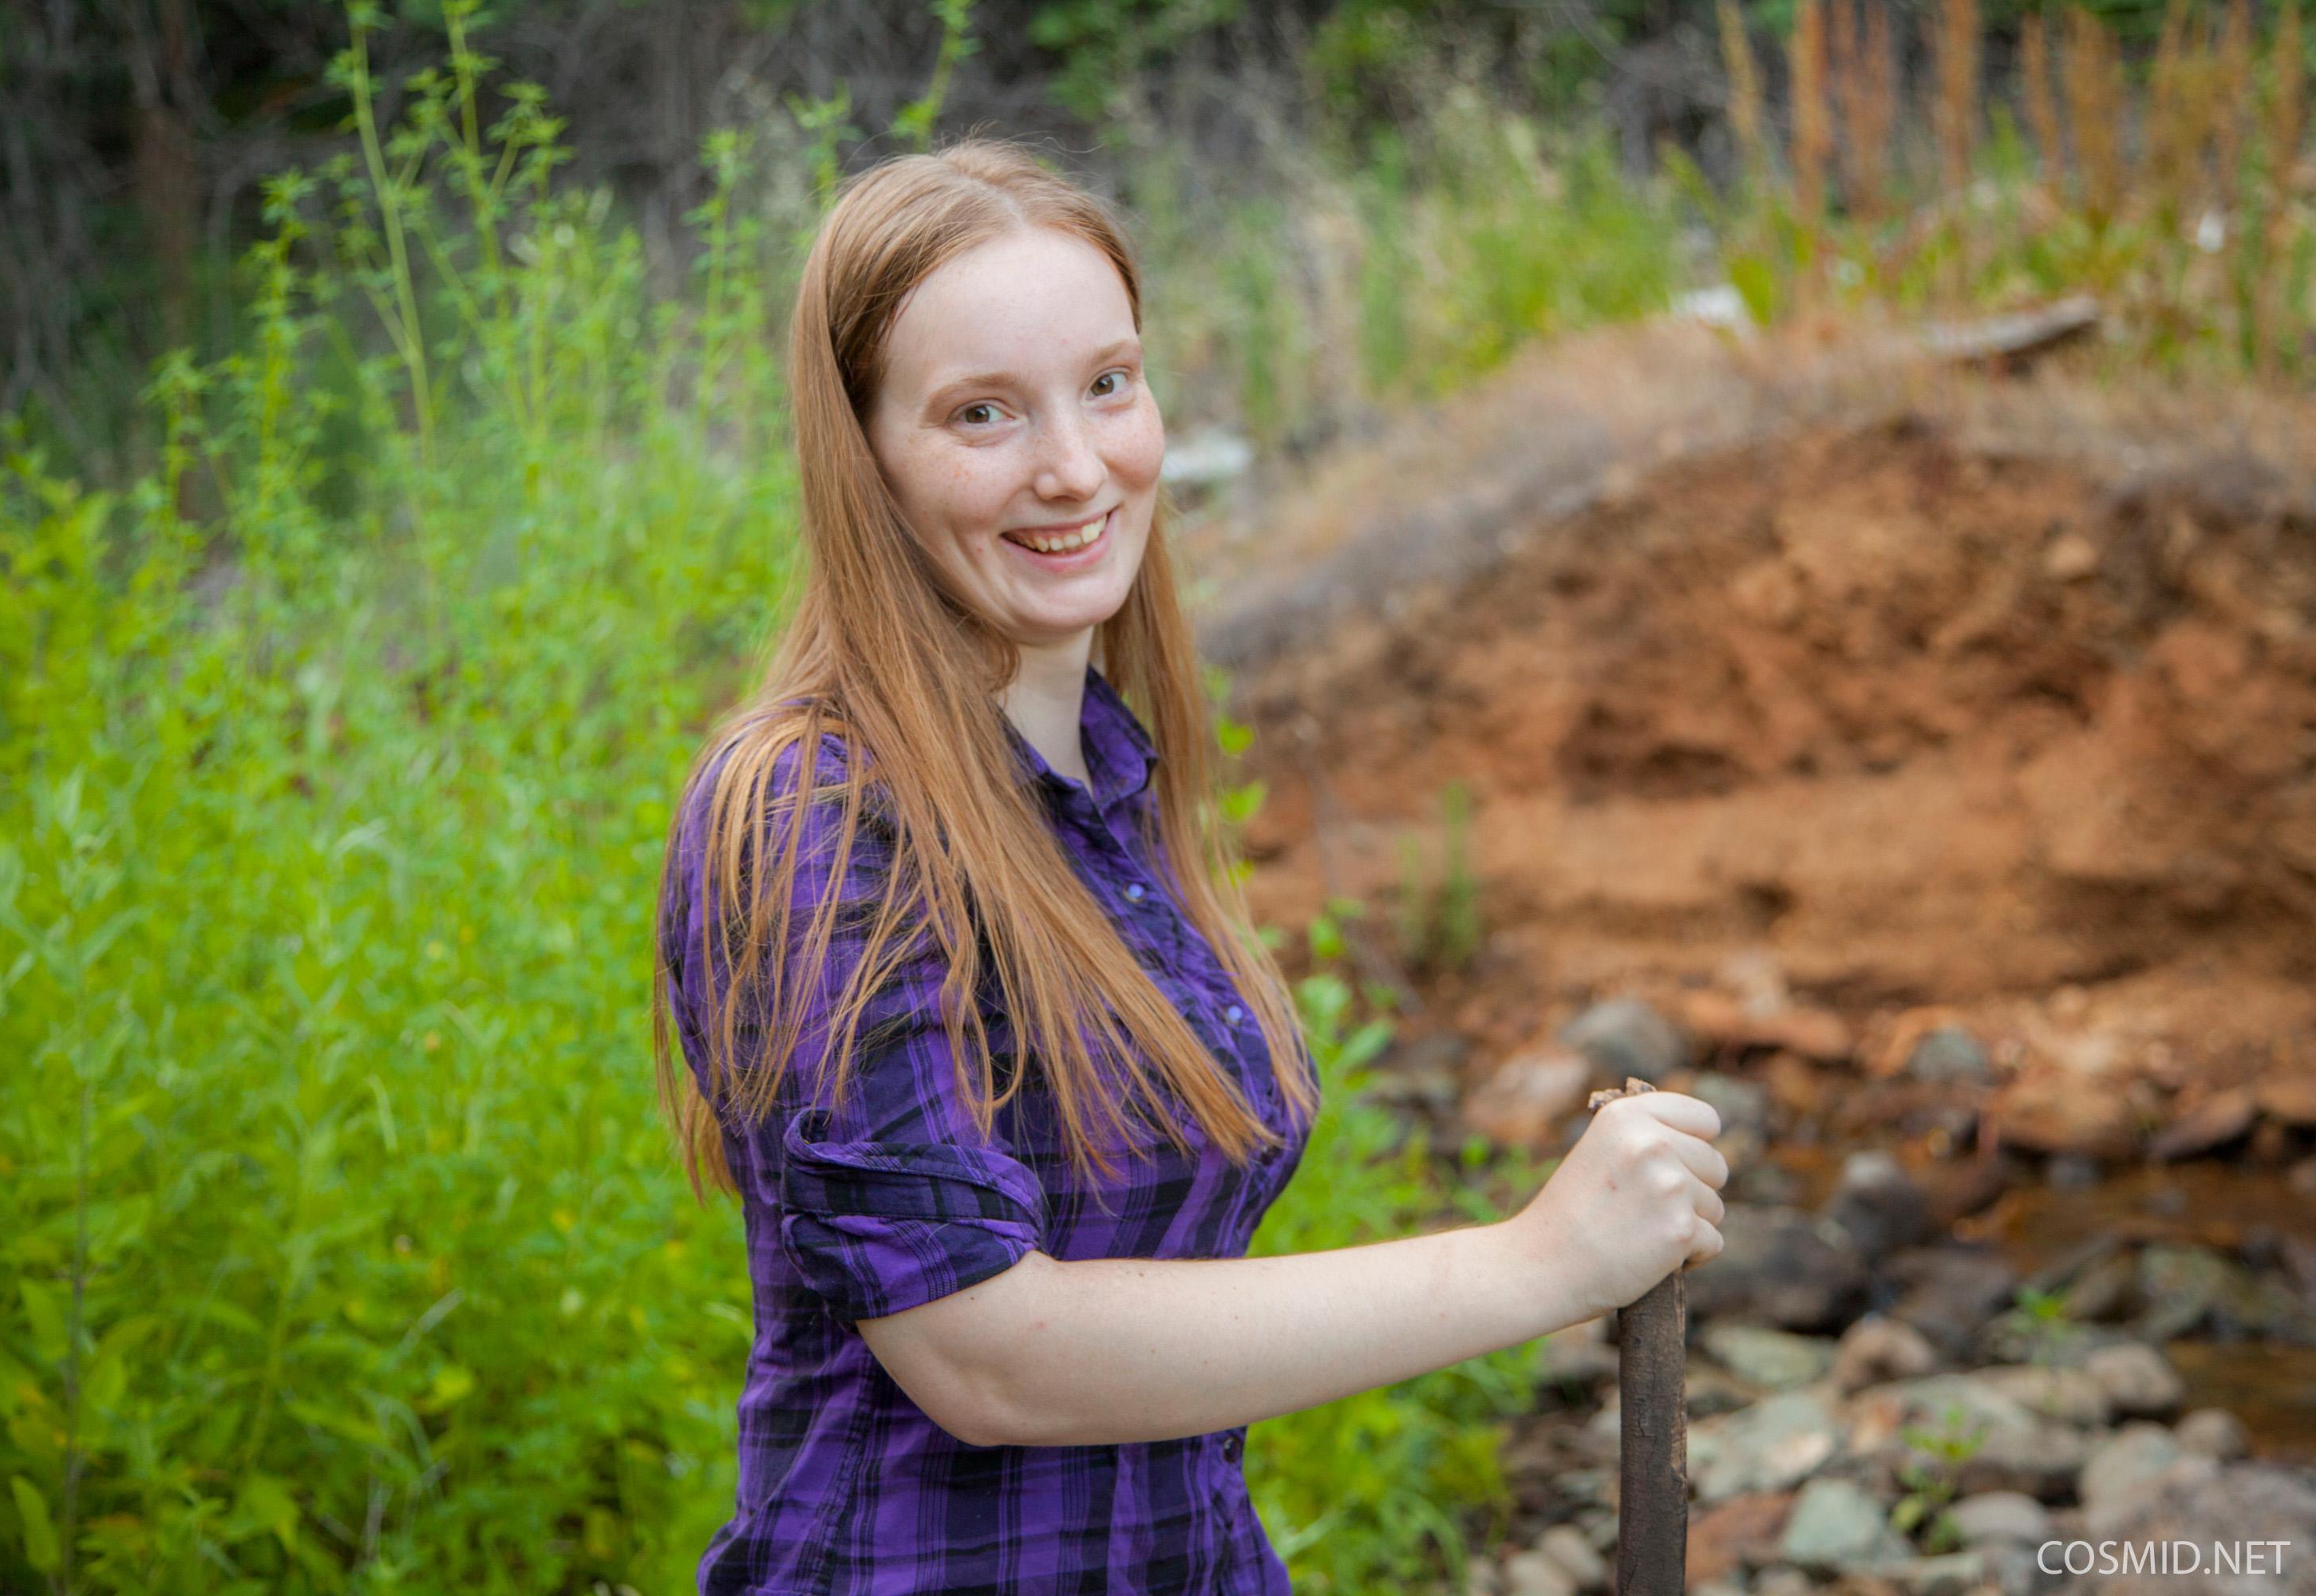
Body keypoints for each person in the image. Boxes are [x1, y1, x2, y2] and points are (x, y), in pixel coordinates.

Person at [652, 135, 1729, 1596]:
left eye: (1109, 383)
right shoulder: (811, 813)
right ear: (865, 460)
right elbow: (986, 1356)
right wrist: (1540, 1263)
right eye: (983, 414)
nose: (1076, 467)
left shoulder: (1104, 777)